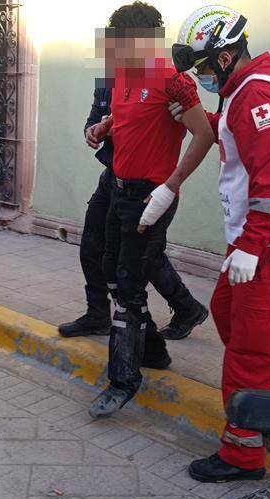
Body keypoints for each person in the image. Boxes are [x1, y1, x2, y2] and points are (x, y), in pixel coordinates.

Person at [171, 4, 270, 484]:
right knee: (228, 314)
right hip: (259, 242)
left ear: (223, 58)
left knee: (249, 353)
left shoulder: (255, 95)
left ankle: (242, 454)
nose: (201, 77)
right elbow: (241, 141)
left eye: (202, 68)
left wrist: (254, 246)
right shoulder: (242, 91)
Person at [87, 1, 216, 418]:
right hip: (120, 190)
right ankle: (155, 351)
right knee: (113, 270)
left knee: (128, 287)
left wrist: (172, 185)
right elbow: (130, 119)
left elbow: (203, 134)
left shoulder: (174, 81)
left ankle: (124, 380)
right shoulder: (125, 75)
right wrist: (104, 126)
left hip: (151, 197)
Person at [58, 83, 209, 340]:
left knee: (143, 258)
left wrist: (169, 185)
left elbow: (189, 128)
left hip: (146, 186)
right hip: (113, 177)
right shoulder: (107, 82)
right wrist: (96, 130)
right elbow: (94, 120)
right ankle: (99, 314)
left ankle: (179, 313)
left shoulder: (161, 80)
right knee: (93, 246)